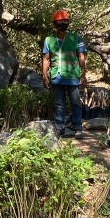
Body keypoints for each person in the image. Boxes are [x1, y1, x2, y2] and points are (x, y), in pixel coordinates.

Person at [42, 9, 87, 139]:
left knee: (75, 103)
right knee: (59, 104)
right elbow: (46, 59)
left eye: (64, 21)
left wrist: (83, 75)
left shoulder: (75, 38)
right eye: (59, 22)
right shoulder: (49, 40)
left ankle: (77, 127)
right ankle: (60, 128)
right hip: (57, 77)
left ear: (68, 23)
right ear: (54, 24)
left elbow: (81, 56)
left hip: (72, 76)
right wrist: (44, 75)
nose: (62, 23)